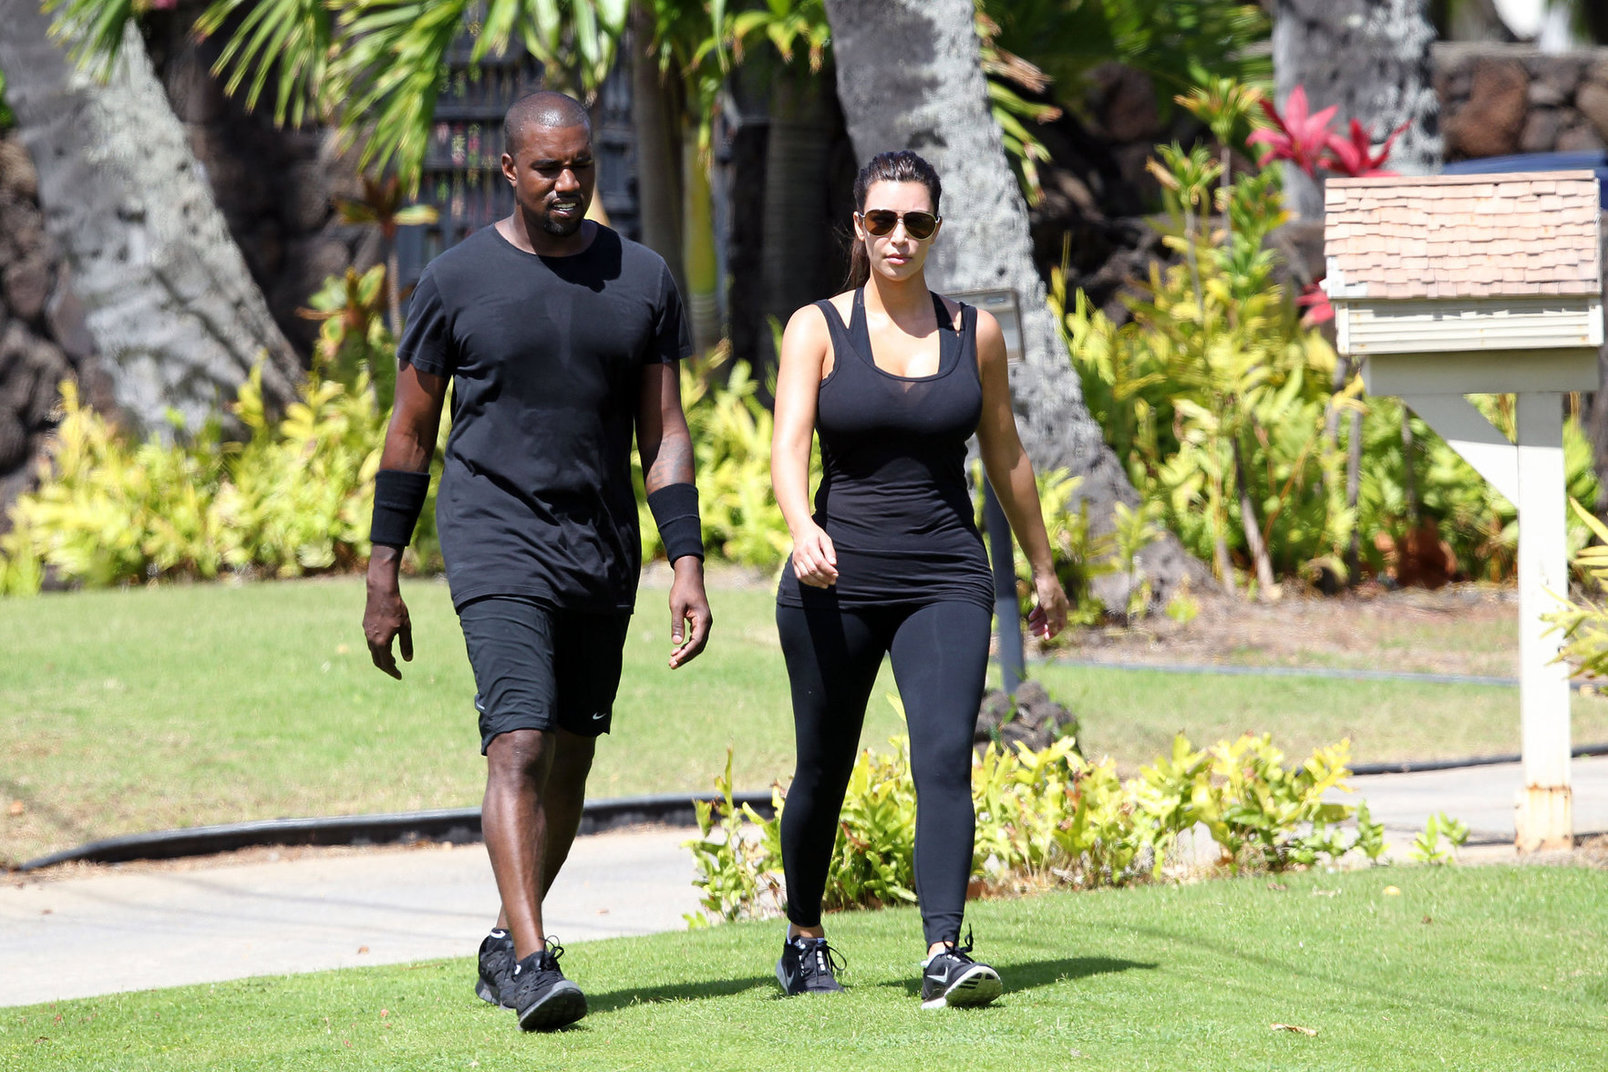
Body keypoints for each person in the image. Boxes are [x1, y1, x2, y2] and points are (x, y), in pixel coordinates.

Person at [361, 90, 712, 1032]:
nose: (566, 182)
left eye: (580, 166)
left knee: (570, 758)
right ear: (508, 171)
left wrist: (686, 561)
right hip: (493, 537)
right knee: (516, 740)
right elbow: (409, 433)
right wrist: (383, 568)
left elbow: (665, 434)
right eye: (547, 167)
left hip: (599, 548)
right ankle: (531, 959)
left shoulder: (641, 279)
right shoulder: (454, 281)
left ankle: (504, 941)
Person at [769, 149, 1069, 1009]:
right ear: (857, 227)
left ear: (936, 228)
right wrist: (801, 528)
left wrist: (1042, 567)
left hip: (946, 571)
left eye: (916, 222)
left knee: (944, 758)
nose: (898, 237)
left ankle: (943, 949)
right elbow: (789, 447)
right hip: (837, 578)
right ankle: (804, 938)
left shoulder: (974, 332)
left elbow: (1006, 455)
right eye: (881, 221)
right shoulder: (817, 328)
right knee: (822, 767)